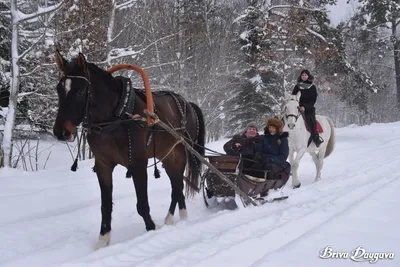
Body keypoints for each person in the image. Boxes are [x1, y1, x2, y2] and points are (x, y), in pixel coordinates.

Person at [292, 69, 323, 147]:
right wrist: (297, 105)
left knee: (311, 122)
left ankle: (316, 138)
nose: (304, 76)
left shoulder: (312, 87)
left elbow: (313, 100)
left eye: (305, 75)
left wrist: (305, 107)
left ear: (308, 76)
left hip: (308, 109)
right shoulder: (297, 86)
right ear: (300, 76)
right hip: (297, 108)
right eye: (302, 75)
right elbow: (293, 97)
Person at [253, 116, 290, 180]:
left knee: (269, 167)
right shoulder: (263, 138)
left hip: (278, 163)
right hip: (264, 160)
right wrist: (258, 156)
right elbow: (259, 150)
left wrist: (271, 159)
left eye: (273, 128)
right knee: (255, 166)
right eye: (270, 127)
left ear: (277, 128)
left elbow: (283, 156)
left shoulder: (283, 139)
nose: (271, 129)